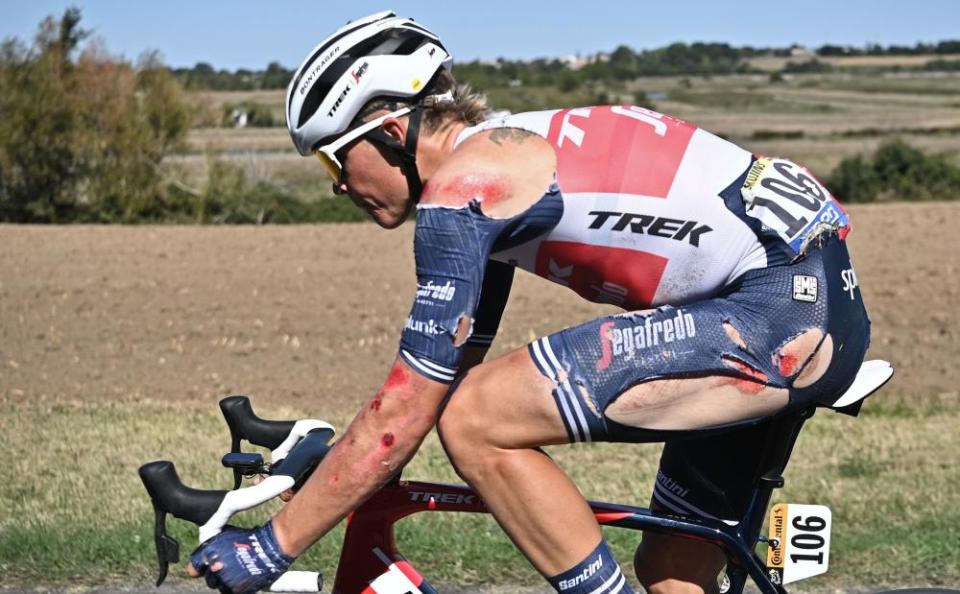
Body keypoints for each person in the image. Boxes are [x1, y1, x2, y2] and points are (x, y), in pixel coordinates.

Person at [188, 11, 870, 594]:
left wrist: (268, 548)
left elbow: (416, 409)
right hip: (805, 306)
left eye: (335, 160)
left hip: (777, 311)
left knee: (478, 419)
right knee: (672, 569)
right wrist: (339, 466)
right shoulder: (502, 162)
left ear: (391, 132)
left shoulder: (465, 191)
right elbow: (432, 384)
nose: (338, 186)